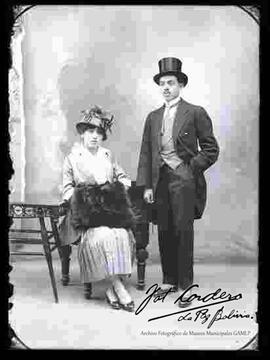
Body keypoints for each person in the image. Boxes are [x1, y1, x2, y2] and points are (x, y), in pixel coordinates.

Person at [136, 57, 219, 307]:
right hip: (159, 180)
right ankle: (169, 280)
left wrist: (189, 169)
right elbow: (145, 153)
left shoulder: (195, 112)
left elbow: (211, 149)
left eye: (170, 82)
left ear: (180, 84)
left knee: (183, 232)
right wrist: (147, 186)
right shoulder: (153, 117)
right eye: (162, 83)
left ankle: (185, 287)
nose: (166, 87)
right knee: (164, 230)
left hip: (183, 180)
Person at [58, 105, 136, 312]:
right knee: (101, 236)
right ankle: (119, 287)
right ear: (82, 134)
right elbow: (66, 189)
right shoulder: (72, 159)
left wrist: (119, 187)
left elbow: (122, 177)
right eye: (90, 132)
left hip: (109, 213)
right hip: (85, 216)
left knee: (120, 234)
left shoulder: (108, 155)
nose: (94, 136)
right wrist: (81, 198)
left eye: (99, 133)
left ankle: (111, 289)